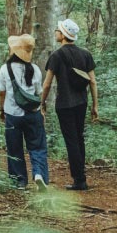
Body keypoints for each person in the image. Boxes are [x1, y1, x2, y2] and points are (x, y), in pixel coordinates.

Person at [41, 18, 98, 190]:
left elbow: (47, 84)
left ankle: (79, 180)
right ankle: (81, 177)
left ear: (64, 34)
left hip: (64, 104)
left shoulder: (56, 56)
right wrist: (95, 105)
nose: (56, 32)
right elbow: (93, 82)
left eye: (58, 30)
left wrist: (41, 102)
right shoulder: (85, 54)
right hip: (81, 103)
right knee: (79, 138)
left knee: (71, 140)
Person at [0, 33, 49, 190]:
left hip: (13, 114)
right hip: (33, 114)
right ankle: (39, 174)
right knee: (37, 146)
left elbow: (2, 92)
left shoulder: (5, 69)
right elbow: (38, 93)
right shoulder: (35, 69)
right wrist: (42, 110)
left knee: (14, 147)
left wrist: (1, 110)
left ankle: (20, 181)